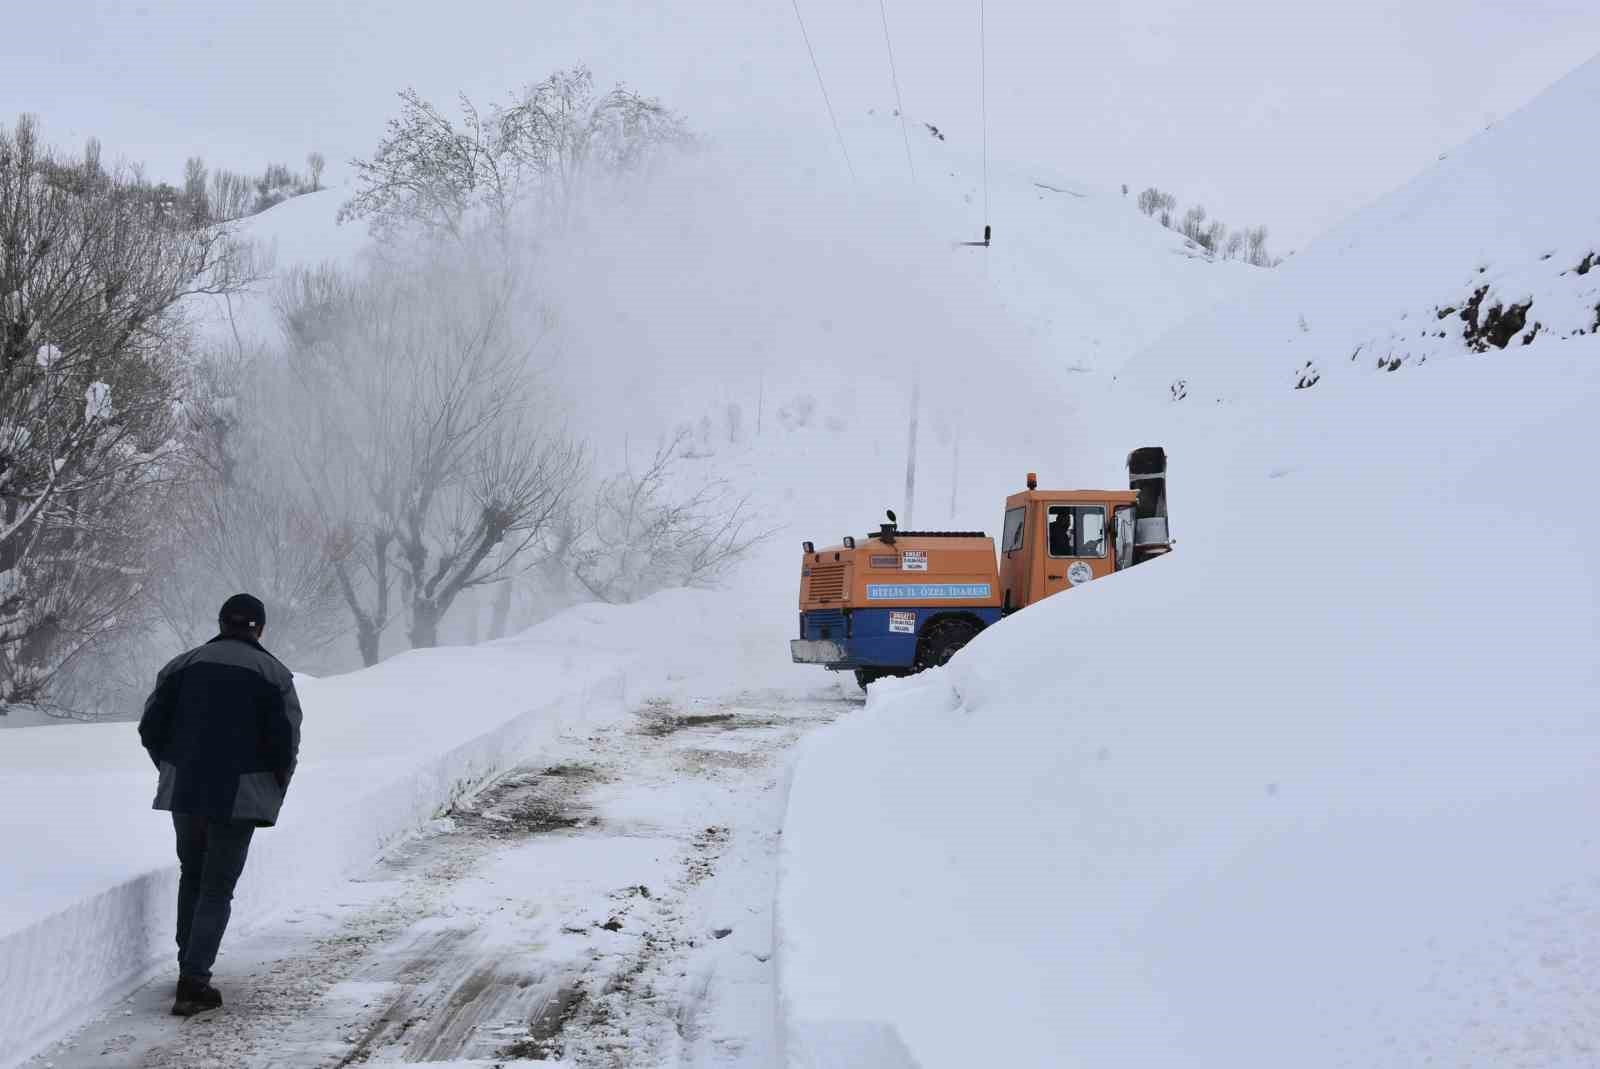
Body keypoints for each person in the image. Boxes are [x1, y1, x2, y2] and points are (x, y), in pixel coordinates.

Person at [137, 594, 302, 1017]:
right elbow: (285, 744)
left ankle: (187, 965)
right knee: (217, 886)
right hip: (240, 794)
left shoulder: (181, 666)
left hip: (186, 790)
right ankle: (194, 981)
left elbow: (151, 726)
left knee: (192, 874)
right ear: (259, 628)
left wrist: (172, 766)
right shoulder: (274, 674)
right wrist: (273, 787)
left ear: (221, 622)